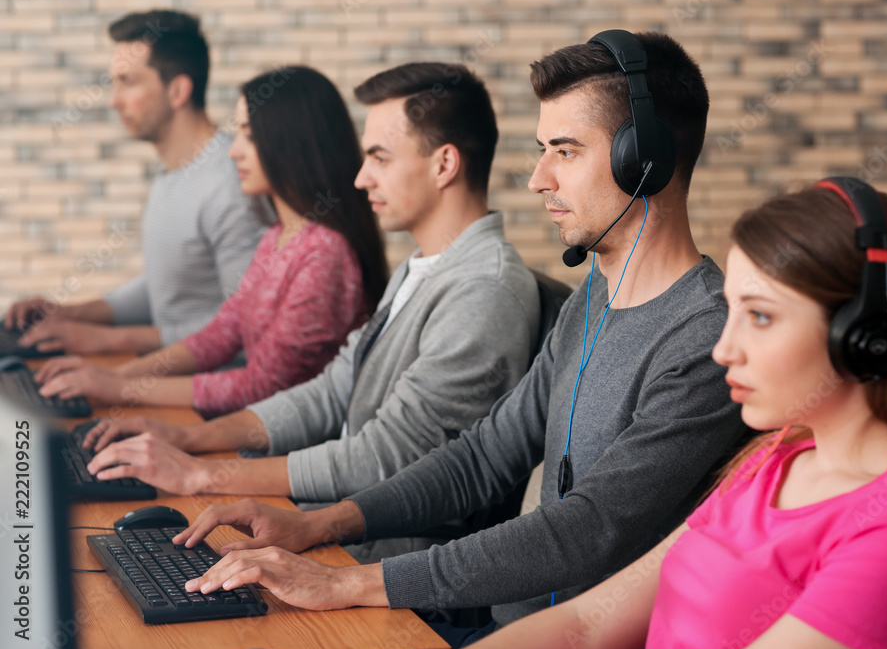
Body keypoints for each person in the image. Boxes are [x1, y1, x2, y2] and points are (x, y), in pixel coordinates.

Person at [172, 30, 746, 645]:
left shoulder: (707, 337)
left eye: (566, 151)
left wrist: (349, 583)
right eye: (540, 150)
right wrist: (316, 528)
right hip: (511, 627)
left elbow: (588, 529)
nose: (538, 178)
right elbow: (482, 456)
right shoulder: (592, 302)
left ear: (645, 160)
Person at [454, 180, 887, 649]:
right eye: (731, 310)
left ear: (862, 336)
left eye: (759, 315)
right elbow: (586, 627)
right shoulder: (771, 459)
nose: (723, 350)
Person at [75, 63, 541, 560]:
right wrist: (187, 438)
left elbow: (384, 458)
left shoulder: (482, 291)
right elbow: (333, 388)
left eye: (379, 158)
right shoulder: (423, 266)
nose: (361, 178)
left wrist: (200, 469)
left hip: (378, 558)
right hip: (325, 522)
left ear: (444, 165)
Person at [31, 66, 386, 419]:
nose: (234, 152)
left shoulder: (324, 254)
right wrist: (111, 377)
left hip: (278, 448)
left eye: (250, 135)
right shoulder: (277, 235)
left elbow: (262, 386)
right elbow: (223, 332)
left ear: (292, 142)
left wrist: (116, 387)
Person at [5, 9, 267, 355]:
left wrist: (110, 339)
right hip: (165, 377)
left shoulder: (229, 184)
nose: (113, 100)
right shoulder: (175, 173)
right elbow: (169, 287)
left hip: (208, 397)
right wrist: (70, 313)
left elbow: (245, 324)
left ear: (177, 91)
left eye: (127, 82)